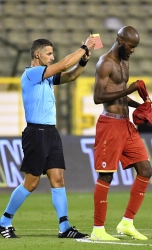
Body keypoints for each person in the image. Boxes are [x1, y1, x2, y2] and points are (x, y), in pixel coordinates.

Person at [0, 35, 96, 239]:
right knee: (31, 183)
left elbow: (71, 76)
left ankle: (65, 227)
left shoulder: (45, 76)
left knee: (58, 179)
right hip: (36, 133)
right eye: (49, 53)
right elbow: (62, 65)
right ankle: (4, 222)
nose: (52, 57)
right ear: (37, 54)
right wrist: (83, 47)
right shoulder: (32, 74)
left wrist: (84, 60)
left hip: (51, 132)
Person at [90, 26, 152, 241]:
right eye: (131, 46)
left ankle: (127, 222)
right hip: (109, 125)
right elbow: (99, 97)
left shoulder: (125, 61)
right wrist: (130, 88)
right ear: (119, 39)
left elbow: (119, 94)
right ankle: (98, 229)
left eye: (135, 47)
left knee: (145, 170)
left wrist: (140, 105)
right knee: (106, 175)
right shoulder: (105, 62)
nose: (133, 50)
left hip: (126, 125)